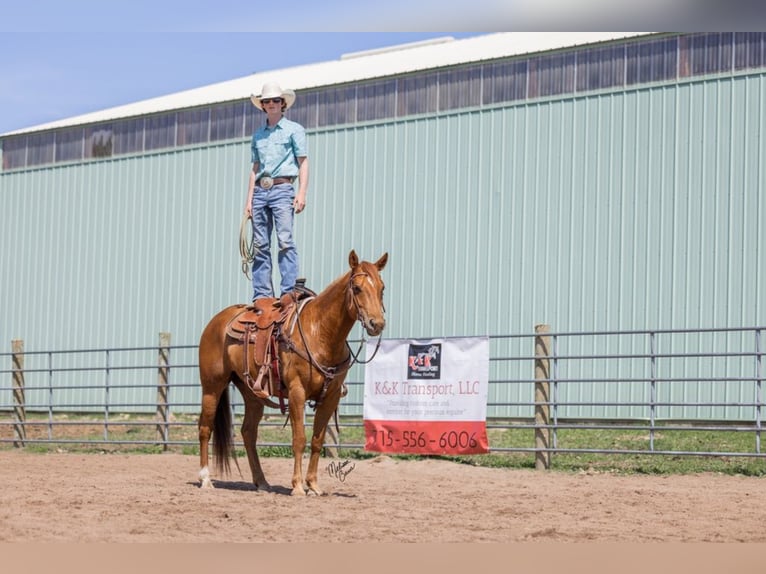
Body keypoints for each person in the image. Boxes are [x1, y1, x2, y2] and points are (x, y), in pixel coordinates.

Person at [244, 81, 309, 302]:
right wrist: (249, 200)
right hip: (261, 189)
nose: (271, 104)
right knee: (260, 244)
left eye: (275, 100)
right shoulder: (258, 136)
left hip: (282, 188)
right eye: (267, 101)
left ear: (283, 104)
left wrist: (301, 193)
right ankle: (262, 294)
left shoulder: (294, 130)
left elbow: (303, 163)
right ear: (262, 105)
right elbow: (255, 168)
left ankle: (288, 291)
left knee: (285, 240)